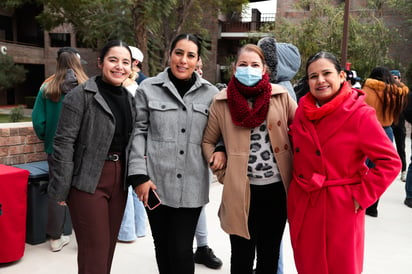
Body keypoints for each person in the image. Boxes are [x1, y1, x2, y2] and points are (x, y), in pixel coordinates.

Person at [287, 51, 401, 274]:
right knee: (308, 264)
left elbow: (390, 162)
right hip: (305, 201)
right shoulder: (302, 110)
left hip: (340, 206)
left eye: (326, 73)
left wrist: (361, 196)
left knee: (341, 266)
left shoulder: (360, 114)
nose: (320, 80)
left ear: (341, 76)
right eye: (313, 76)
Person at [127, 33, 223, 274]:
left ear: (198, 60)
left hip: (191, 186)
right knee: (162, 247)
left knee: (181, 250)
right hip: (155, 184)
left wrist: (220, 149)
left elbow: (221, 133)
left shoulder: (211, 94)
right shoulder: (148, 89)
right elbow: (138, 132)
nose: (183, 60)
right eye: (179, 53)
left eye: (191, 55)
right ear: (170, 55)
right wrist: (138, 176)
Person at [202, 44, 297, 274]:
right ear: (234, 68)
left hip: (276, 190)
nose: (249, 69)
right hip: (241, 192)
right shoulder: (221, 101)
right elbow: (208, 142)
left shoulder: (281, 96)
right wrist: (222, 169)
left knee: (269, 254)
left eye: (255, 65)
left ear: (264, 69)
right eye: (243, 65)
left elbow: (302, 130)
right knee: (242, 257)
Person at [48, 40, 136, 274]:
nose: (119, 66)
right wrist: (61, 187)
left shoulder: (130, 99)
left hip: (119, 181)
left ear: (132, 67)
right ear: (100, 63)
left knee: (107, 249)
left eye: (125, 62)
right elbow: (63, 142)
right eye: (113, 60)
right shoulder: (81, 95)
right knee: (94, 249)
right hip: (88, 181)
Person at [32, 47, 88, 252]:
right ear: (77, 61)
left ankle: (56, 238)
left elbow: (38, 120)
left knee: (57, 190)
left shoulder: (47, 86)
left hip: (55, 147)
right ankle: (83, 236)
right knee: (83, 190)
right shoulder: (87, 85)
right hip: (83, 148)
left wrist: (47, 138)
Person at [257, 36, 301, 274]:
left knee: (272, 235)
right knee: (270, 234)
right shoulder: (282, 87)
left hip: (276, 174)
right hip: (267, 173)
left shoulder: (282, 91)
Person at [363, 66, 408, 217]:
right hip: (387, 132)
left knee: (364, 168)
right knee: (380, 170)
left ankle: (362, 201)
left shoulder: (367, 90)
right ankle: (373, 206)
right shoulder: (395, 93)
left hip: (369, 130)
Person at [193, 57, 223, 269]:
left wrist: (219, 149)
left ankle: (202, 248)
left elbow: (223, 126)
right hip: (169, 164)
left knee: (199, 204)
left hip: (199, 161)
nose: (199, 71)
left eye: (201, 67)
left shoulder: (211, 93)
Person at [117, 46, 148, 243]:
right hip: (137, 142)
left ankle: (126, 232)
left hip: (125, 141)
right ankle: (139, 228)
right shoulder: (139, 86)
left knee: (125, 188)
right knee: (135, 186)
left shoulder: (125, 87)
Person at [390, 69, 409, 182]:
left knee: (401, 148)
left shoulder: (405, 92)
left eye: (395, 78)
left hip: (400, 124)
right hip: (389, 123)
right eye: (392, 78)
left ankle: (403, 171)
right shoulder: (386, 91)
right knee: (387, 148)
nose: (394, 80)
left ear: (400, 79)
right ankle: (390, 171)